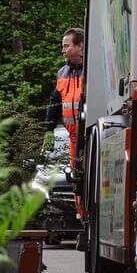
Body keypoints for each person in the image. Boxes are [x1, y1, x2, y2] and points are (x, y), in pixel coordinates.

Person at [53, 28, 84, 179]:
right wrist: (48, 129)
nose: (63, 50)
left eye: (66, 46)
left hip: (90, 137)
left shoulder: (93, 70)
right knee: (75, 182)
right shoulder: (61, 73)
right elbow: (54, 104)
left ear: (80, 47)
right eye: (62, 46)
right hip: (73, 139)